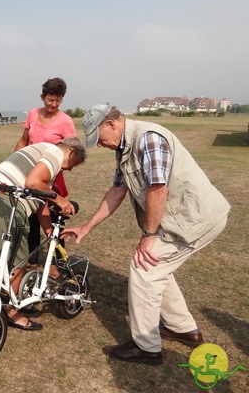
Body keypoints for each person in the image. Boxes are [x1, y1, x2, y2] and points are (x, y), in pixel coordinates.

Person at [63, 105, 230, 365]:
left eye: (100, 138)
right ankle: (183, 329)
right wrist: (86, 227)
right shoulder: (124, 149)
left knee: (144, 267)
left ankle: (146, 346)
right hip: (183, 220)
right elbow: (117, 191)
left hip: (196, 220)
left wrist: (149, 235)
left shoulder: (149, 138)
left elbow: (158, 189)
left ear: (111, 124)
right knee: (157, 267)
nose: (99, 145)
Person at [0, 137, 86, 330]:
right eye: (73, 164)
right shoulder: (55, 153)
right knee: (19, 260)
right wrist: (61, 201)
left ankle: (3, 296)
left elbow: (41, 204)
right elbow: (33, 182)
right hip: (4, 200)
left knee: (7, 256)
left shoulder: (40, 152)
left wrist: (50, 232)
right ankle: (9, 311)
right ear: (72, 151)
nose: (69, 169)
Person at [14, 77, 76, 264]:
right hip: (29, 173)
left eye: (58, 100)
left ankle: (59, 262)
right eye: (50, 99)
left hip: (52, 177)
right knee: (32, 218)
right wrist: (16, 162)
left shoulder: (65, 121)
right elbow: (24, 140)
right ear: (42, 97)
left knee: (56, 219)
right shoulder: (33, 114)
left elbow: (71, 150)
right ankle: (32, 259)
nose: (54, 104)